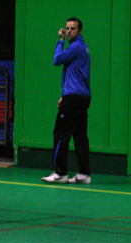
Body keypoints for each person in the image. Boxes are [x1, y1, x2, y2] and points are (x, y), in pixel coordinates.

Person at [42, 17, 91, 184]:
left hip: (74, 98)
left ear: (80, 31)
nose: (69, 31)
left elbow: (57, 60)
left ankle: (60, 173)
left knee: (60, 134)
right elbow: (75, 76)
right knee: (79, 136)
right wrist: (64, 95)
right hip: (82, 97)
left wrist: (60, 40)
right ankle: (84, 174)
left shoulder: (76, 47)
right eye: (67, 28)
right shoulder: (82, 48)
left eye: (73, 29)